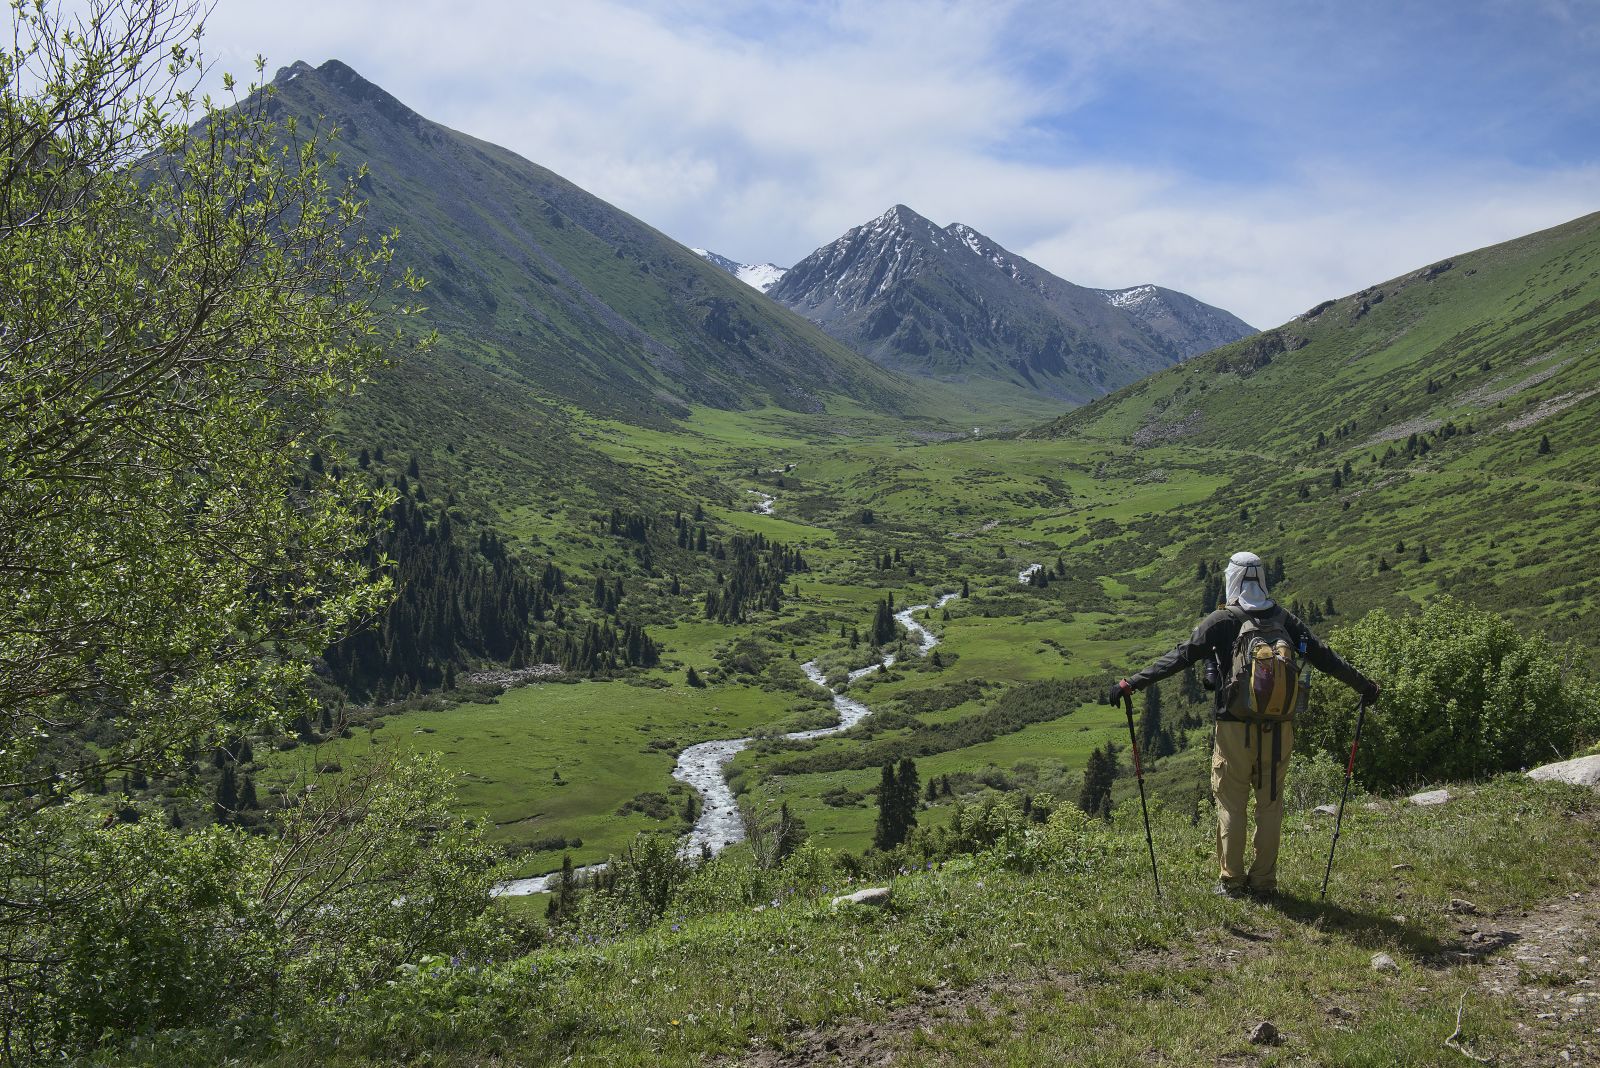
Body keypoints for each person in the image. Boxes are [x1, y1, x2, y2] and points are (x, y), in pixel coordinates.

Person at [1106, 551, 1377, 897]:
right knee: (1270, 805)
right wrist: (1364, 686)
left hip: (1234, 727)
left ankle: (1232, 881)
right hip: (1280, 728)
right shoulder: (1285, 621)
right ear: (1262, 579)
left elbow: (1181, 655)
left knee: (1232, 803)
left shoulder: (1222, 621)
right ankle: (1264, 882)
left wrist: (1133, 683)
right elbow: (1323, 656)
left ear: (1231, 579)